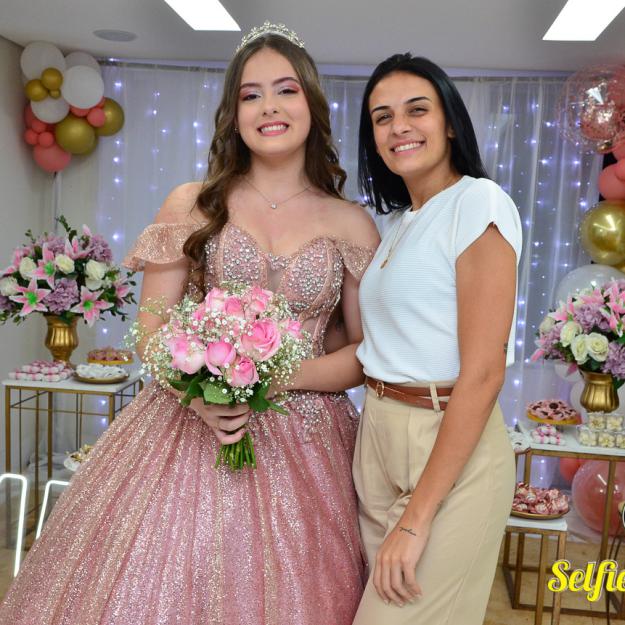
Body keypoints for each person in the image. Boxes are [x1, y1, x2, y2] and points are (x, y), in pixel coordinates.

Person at [0, 24, 379, 625]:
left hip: (309, 444)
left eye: (285, 90)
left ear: (311, 104)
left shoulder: (351, 222)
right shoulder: (193, 203)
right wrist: (201, 394)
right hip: (190, 422)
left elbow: (363, 353)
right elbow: (152, 334)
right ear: (233, 114)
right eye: (251, 94)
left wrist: (270, 378)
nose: (269, 107)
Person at [351, 54, 522, 625]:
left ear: (449, 122)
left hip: (446, 437)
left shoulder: (478, 201)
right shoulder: (396, 223)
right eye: (382, 117)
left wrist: (416, 518)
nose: (399, 126)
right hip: (378, 432)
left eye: (417, 110)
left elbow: (485, 372)